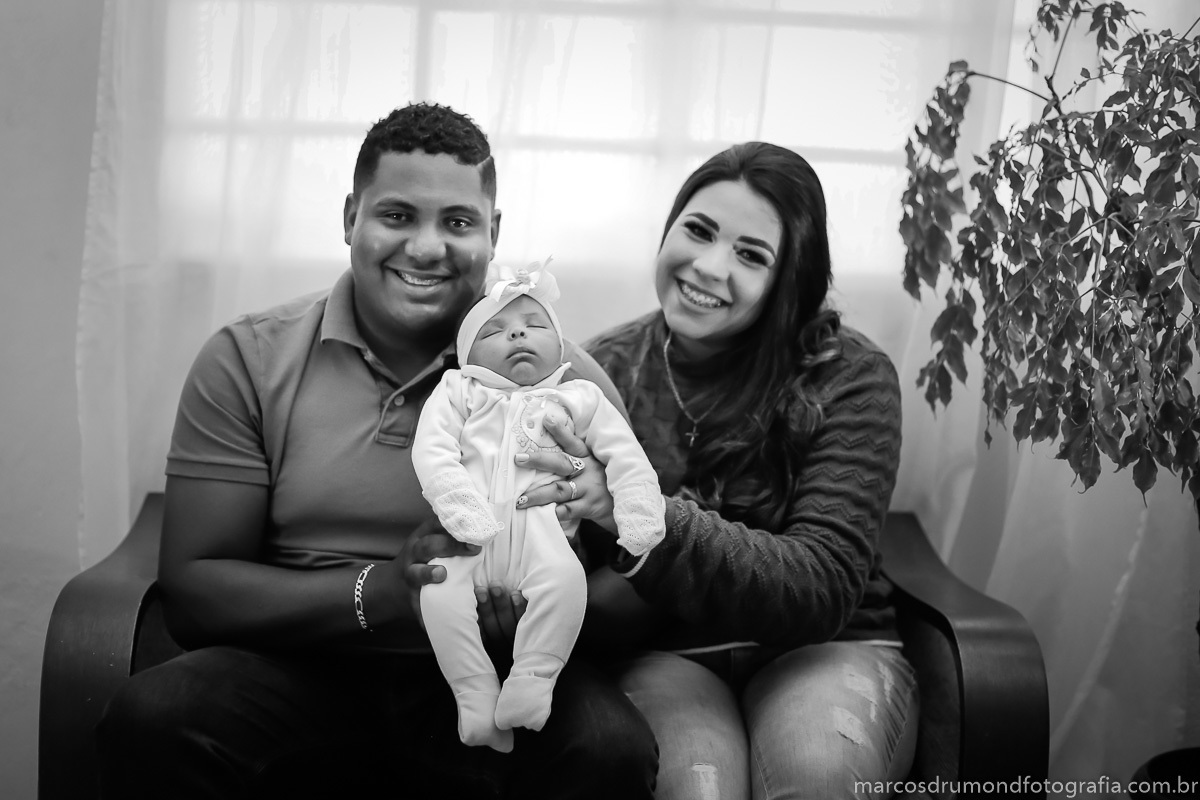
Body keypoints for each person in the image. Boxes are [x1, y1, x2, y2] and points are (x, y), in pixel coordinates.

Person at [95, 102, 658, 800]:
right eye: (397, 215)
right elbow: (195, 591)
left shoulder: (560, 379)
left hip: (496, 671)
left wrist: (537, 607)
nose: (426, 248)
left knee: (609, 749)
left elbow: (639, 579)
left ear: (493, 234)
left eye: (458, 222)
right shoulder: (250, 359)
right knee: (155, 717)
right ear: (349, 218)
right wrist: (381, 595)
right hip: (298, 665)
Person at [513, 142, 920, 799]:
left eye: (750, 255)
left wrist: (636, 509)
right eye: (698, 231)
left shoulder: (850, 375)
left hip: (826, 650)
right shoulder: (597, 374)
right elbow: (565, 574)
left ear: (790, 278)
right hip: (664, 656)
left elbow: (822, 585)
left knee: (814, 777)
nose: (708, 266)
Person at [413, 259, 664, 753]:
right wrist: (458, 502)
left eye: (535, 325)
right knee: (438, 594)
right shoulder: (459, 392)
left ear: (560, 345)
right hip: (469, 538)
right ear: (467, 355)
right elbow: (432, 450)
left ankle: (532, 681)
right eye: (495, 331)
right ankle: (474, 693)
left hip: (542, 539)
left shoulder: (580, 398)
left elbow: (627, 456)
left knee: (567, 585)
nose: (518, 335)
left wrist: (637, 511)